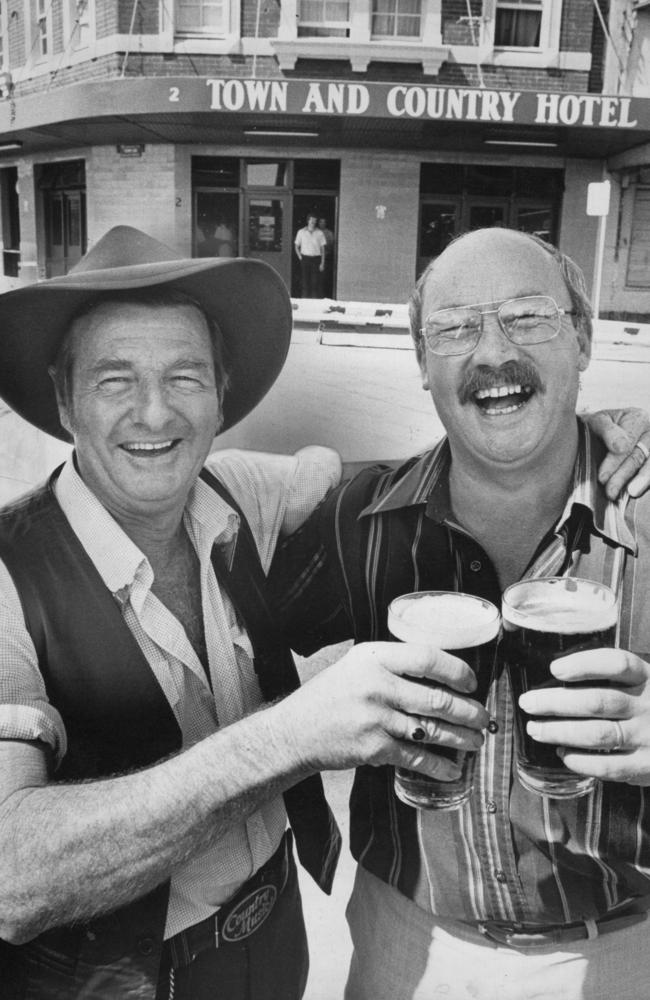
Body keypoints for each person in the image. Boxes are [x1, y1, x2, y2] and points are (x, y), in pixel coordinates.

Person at [0, 226, 492, 1000]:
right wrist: (295, 734)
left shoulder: (233, 490)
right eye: (115, 380)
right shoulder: (7, 574)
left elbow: (333, 472)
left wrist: (586, 444)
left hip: (275, 950)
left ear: (223, 394)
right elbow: (12, 877)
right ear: (64, 401)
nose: (155, 414)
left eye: (186, 377)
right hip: (121, 985)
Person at [271, 228, 650, 1000]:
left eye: (527, 316)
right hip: (407, 946)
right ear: (419, 363)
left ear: (581, 338)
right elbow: (233, 650)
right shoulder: (359, 518)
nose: (493, 351)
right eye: (454, 327)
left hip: (625, 949)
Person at [294, 214, 326, 298]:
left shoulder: (320, 233)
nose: (313, 222)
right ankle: (304, 301)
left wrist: (322, 263)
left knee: (315, 282)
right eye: (311, 220)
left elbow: (323, 249)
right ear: (308, 220)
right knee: (305, 281)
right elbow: (296, 246)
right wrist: (300, 257)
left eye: (315, 221)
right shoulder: (301, 232)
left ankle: (314, 302)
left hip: (316, 259)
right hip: (305, 258)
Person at [318, 218, 335, 297]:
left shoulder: (329, 233)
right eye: (321, 222)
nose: (322, 223)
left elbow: (331, 245)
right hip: (316, 257)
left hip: (327, 257)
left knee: (325, 277)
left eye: (324, 222)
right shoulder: (315, 232)